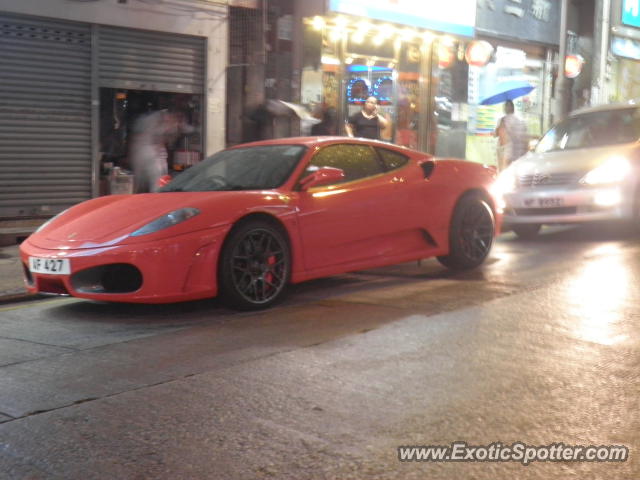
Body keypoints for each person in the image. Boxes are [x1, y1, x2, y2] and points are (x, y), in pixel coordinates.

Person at [495, 100, 528, 170]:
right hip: (519, 156)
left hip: (508, 155)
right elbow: (525, 140)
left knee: (504, 175)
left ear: (505, 109)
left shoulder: (503, 120)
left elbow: (498, 135)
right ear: (513, 109)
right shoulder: (520, 122)